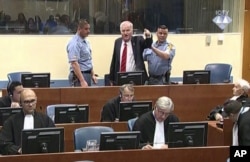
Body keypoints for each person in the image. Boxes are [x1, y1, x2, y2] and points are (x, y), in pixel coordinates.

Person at [0, 89, 55, 155]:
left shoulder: (46, 120)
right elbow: (4, 144)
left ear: (36, 100)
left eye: (32, 101)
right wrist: (18, 150)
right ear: (21, 103)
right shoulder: (11, 121)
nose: (30, 104)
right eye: (26, 102)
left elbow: (54, 140)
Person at [109, 20, 152, 85]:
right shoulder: (117, 42)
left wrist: (148, 36)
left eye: (128, 30)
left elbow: (148, 45)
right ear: (120, 32)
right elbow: (114, 60)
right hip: (121, 78)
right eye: (123, 31)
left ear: (132, 31)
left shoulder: (138, 40)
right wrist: (111, 78)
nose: (125, 33)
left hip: (135, 78)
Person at [67, 19, 97, 87]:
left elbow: (88, 59)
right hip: (79, 77)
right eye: (86, 29)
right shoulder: (74, 43)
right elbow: (74, 63)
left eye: (89, 29)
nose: (88, 31)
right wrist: (82, 81)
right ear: (79, 29)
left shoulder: (85, 42)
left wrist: (92, 74)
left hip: (87, 74)